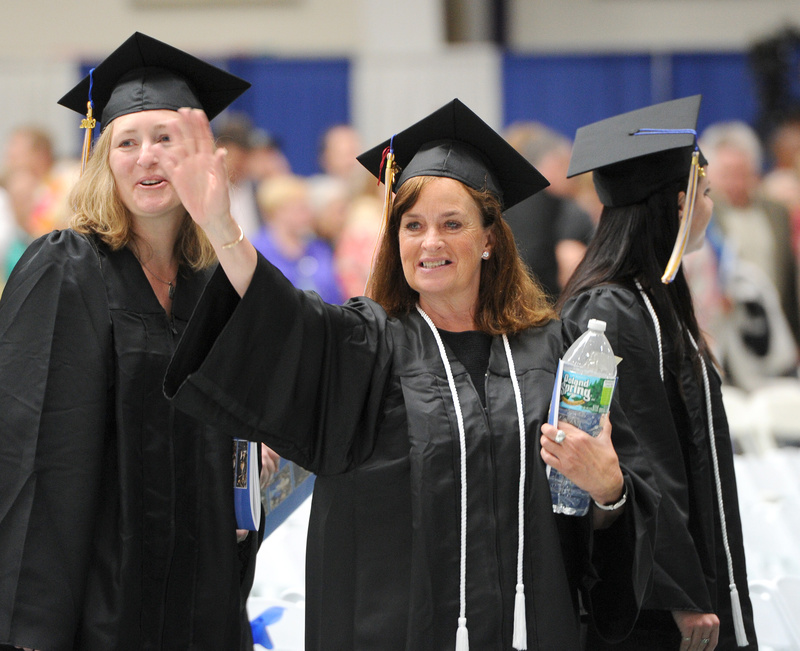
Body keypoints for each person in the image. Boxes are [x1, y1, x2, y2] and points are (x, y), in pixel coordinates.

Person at [161, 98, 660, 650]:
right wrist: (220, 225)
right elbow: (283, 320)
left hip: (530, 629)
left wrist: (610, 489)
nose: (430, 243)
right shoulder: (366, 347)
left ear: (490, 238)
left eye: (453, 224)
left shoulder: (554, 351)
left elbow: (610, 503)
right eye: (413, 225)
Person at [0, 32, 269, 651]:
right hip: (97, 600)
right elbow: (29, 453)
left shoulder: (214, 286)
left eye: (166, 139)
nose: (147, 157)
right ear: (103, 157)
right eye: (128, 141)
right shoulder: (65, 268)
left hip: (201, 596)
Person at [559, 95, 758, 650]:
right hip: (649, 604)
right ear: (678, 202)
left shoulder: (651, 298)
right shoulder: (612, 311)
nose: (709, 206)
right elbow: (641, 457)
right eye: (706, 194)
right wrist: (680, 591)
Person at [503, 122, 595, 298]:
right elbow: (570, 259)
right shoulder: (563, 208)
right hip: (546, 300)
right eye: (566, 164)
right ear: (554, 163)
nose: (573, 175)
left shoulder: (503, 201)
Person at [251, 173, 343, 304]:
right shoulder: (257, 251)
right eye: (301, 209)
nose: (308, 215)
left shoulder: (318, 246)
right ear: (278, 211)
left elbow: (335, 291)